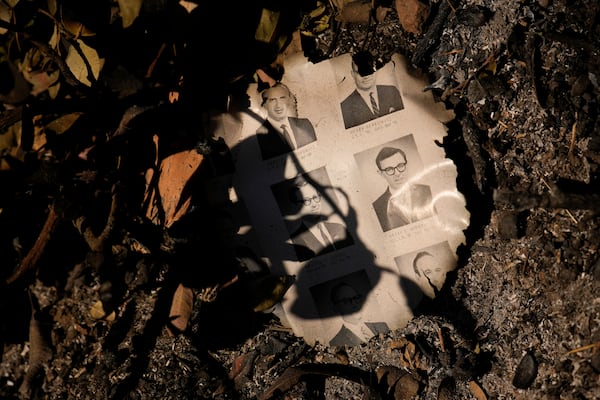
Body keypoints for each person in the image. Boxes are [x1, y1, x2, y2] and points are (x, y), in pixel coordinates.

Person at [288, 176, 354, 261]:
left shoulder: (340, 228)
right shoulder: (295, 241)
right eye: (306, 201)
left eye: (315, 198)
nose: (314, 204)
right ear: (296, 206)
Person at [372, 146, 435, 232]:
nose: (397, 173)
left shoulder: (429, 191)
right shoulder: (376, 208)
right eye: (389, 169)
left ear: (407, 165)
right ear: (381, 174)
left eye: (400, 166)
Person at [340, 51, 404, 129]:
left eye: (369, 71)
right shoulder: (345, 107)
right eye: (360, 73)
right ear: (352, 75)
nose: (366, 77)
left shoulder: (392, 91)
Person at [256, 83, 317, 160]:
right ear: (264, 105)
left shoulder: (304, 124)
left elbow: (316, 159)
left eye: (282, 98)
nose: (278, 105)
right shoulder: (259, 135)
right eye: (272, 100)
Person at [328, 281, 389, 346]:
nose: (354, 304)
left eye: (356, 298)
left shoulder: (382, 326)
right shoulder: (336, 342)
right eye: (346, 301)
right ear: (336, 308)